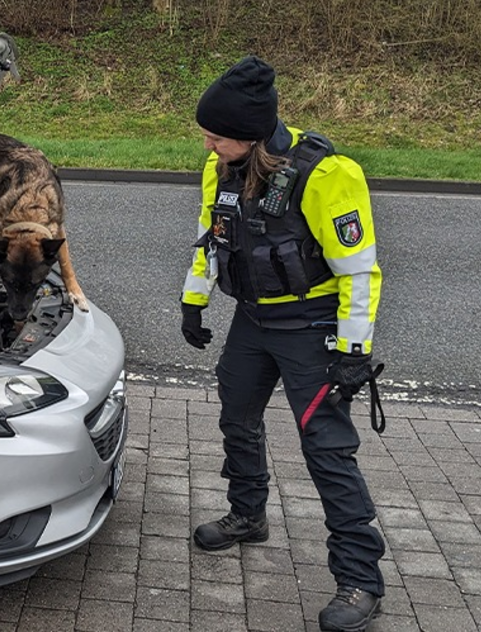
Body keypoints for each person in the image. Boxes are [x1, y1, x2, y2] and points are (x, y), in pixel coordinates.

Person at [179, 55, 386, 632]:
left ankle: (360, 579)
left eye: (216, 136)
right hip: (253, 319)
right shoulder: (220, 166)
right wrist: (193, 299)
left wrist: (352, 350)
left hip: (310, 326)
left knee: (326, 448)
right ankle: (248, 515)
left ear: (250, 135)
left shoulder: (328, 175)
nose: (207, 145)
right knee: (236, 415)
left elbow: (360, 270)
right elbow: (211, 237)